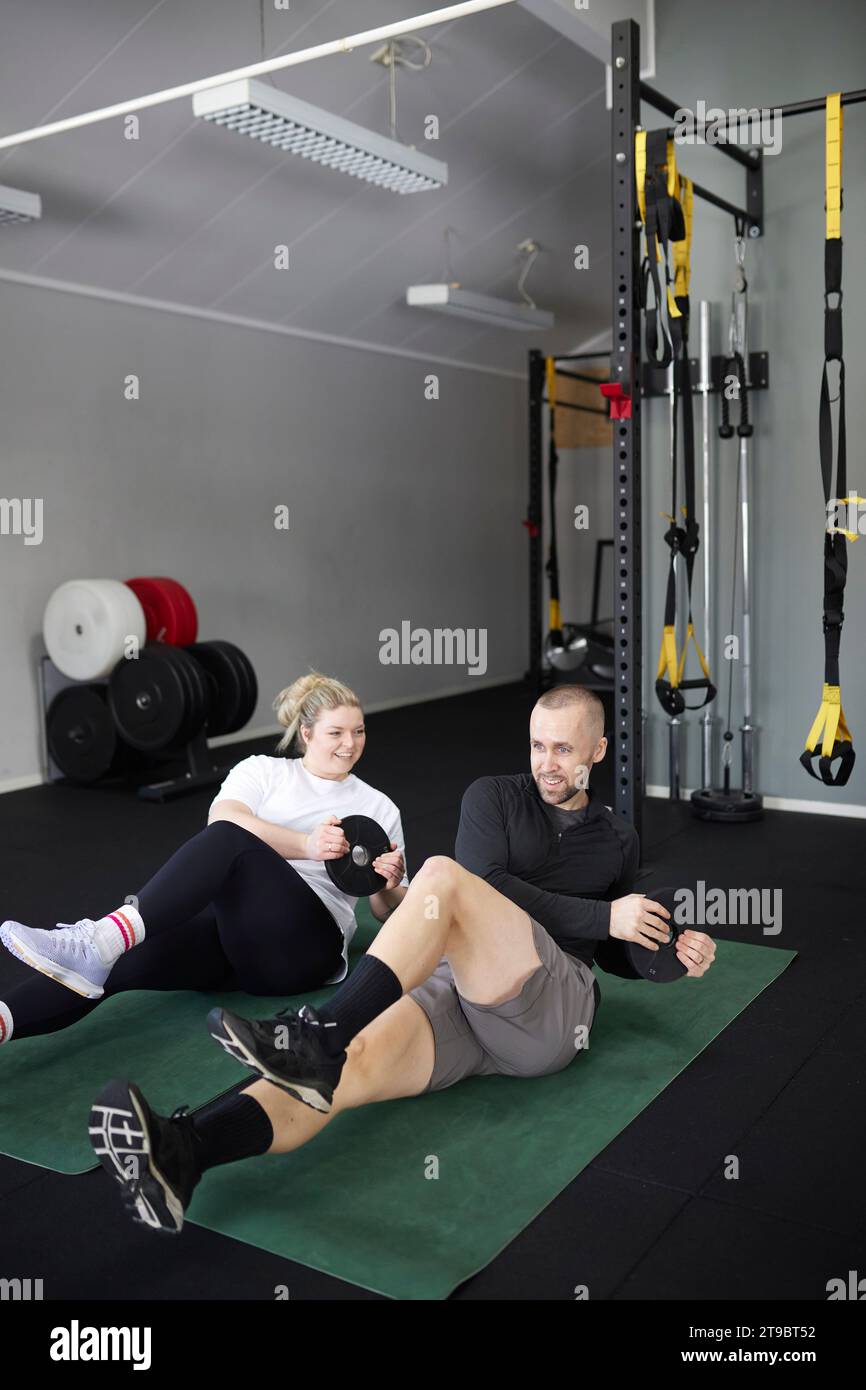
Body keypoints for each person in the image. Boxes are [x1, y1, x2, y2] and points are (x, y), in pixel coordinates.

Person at [86, 684, 716, 1233]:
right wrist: (608, 916)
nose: (547, 764)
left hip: (549, 1008)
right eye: (537, 746)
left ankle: (321, 1032)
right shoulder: (492, 798)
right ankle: (186, 1152)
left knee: (440, 876)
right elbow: (488, 885)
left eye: (564, 750)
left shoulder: (617, 836)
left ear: (597, 753)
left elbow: (614, 949)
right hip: (461, 996)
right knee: (346, 1068)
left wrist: (669, 949)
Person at [0, 673, 407, 1046]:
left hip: (302, 952)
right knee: (118, 964)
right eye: (336, 732)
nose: (350, 743)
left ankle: (100, 938)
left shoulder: (378, 806)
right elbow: (223, 815)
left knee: (230, 840)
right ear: (306, 733)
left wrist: (388, 887)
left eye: (358, 731)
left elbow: (386, 909)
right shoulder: (263, 771)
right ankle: (7, 1020)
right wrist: (307, 844)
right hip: (238, 941)